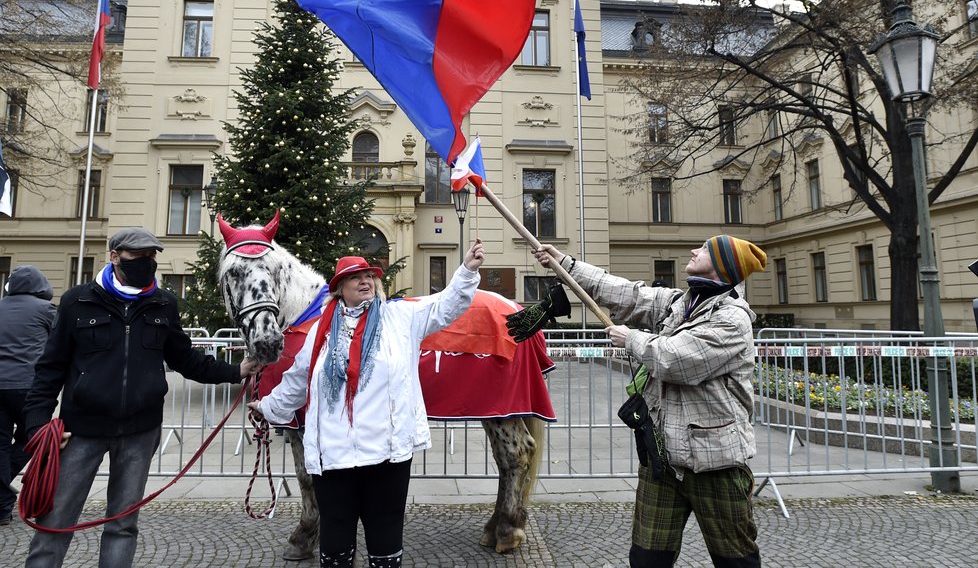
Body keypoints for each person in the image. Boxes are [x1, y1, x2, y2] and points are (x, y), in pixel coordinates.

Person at [21, 227, 259, 568]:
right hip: (80, 433)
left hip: (140, 432)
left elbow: (184, 358)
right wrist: (37, 426)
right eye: (137, 257)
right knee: (55, 521)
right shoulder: (78, 300)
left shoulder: (163, 303)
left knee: (123, 524)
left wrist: (235, 371)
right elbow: (50, 368)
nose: (146, 263)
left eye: (151, 257)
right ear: (114, 257)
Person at [529, 235, 766, 568]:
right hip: (661, 459)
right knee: (647, 558)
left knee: (736, 561)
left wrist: (631, 338)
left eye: (704, 250)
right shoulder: (679, 303)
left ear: (722, 266)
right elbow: (623, 292)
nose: (693, 250)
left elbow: (677, 360)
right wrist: (565, 265)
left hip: (716, 464)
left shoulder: (732, 319)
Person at [249, 239, 486, 568]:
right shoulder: (321, 331)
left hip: (386, 455)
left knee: (385, 540)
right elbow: (296, 380)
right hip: (334, 457)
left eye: (370, 276)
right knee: (335, 541)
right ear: (339, 288)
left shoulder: (400, 318)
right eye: (355, 277)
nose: (365, 281)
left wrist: (467, 271)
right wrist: (269, 408)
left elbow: (445, 305)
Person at [0, 267, 58, 526]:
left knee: (0, 445)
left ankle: (1, 506)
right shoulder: (46, 310)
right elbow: (60, 343)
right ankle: (14, 496)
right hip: (29, 386)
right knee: (33, 438)